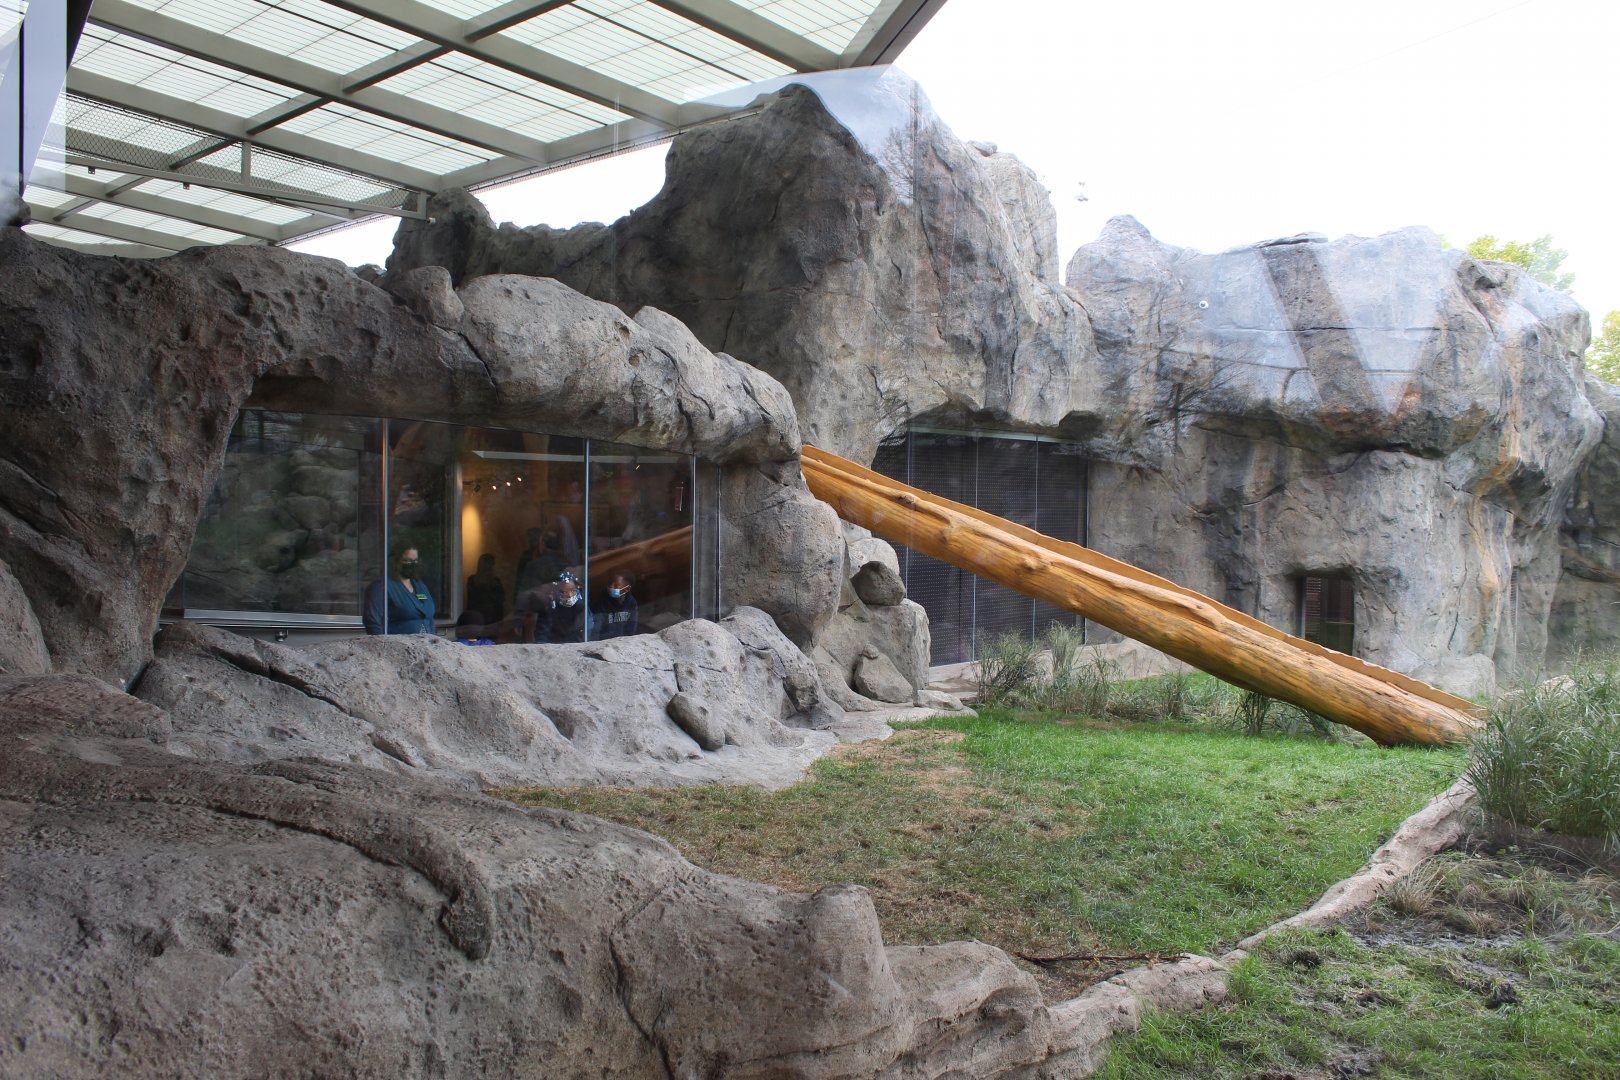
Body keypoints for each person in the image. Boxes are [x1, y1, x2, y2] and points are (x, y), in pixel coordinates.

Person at [363, 547, 436, 635]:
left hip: (426, 641)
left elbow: (429, 617)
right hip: (397, 641)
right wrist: (384, 642)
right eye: (408, 561)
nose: (413, 564)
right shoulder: (382, 585)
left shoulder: (420, 585)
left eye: (416, 561)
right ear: (395, 562)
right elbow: (372, 621)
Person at [462, 553, 506, 636]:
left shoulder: (496, 582)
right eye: (485, 565)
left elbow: (501, 601)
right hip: (476, 621)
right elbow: (472, 600)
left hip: (493, 621)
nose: (487, 568)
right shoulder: (472, 580)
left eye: (490, 565)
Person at [545, 572, 590, 644]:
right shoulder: (551, 610)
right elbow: (543, 634)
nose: (569, 595)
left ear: (577, 590)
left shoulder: (583, 609)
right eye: (564, 592)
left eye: (572, 590)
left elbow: (587, 634)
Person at [596, 572, 639, 637]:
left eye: (616, 585)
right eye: (610, 583)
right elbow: (598, 627)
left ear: (627, 589)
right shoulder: (603, 601)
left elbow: (631, 628)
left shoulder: (632, 603)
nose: (611, 586)